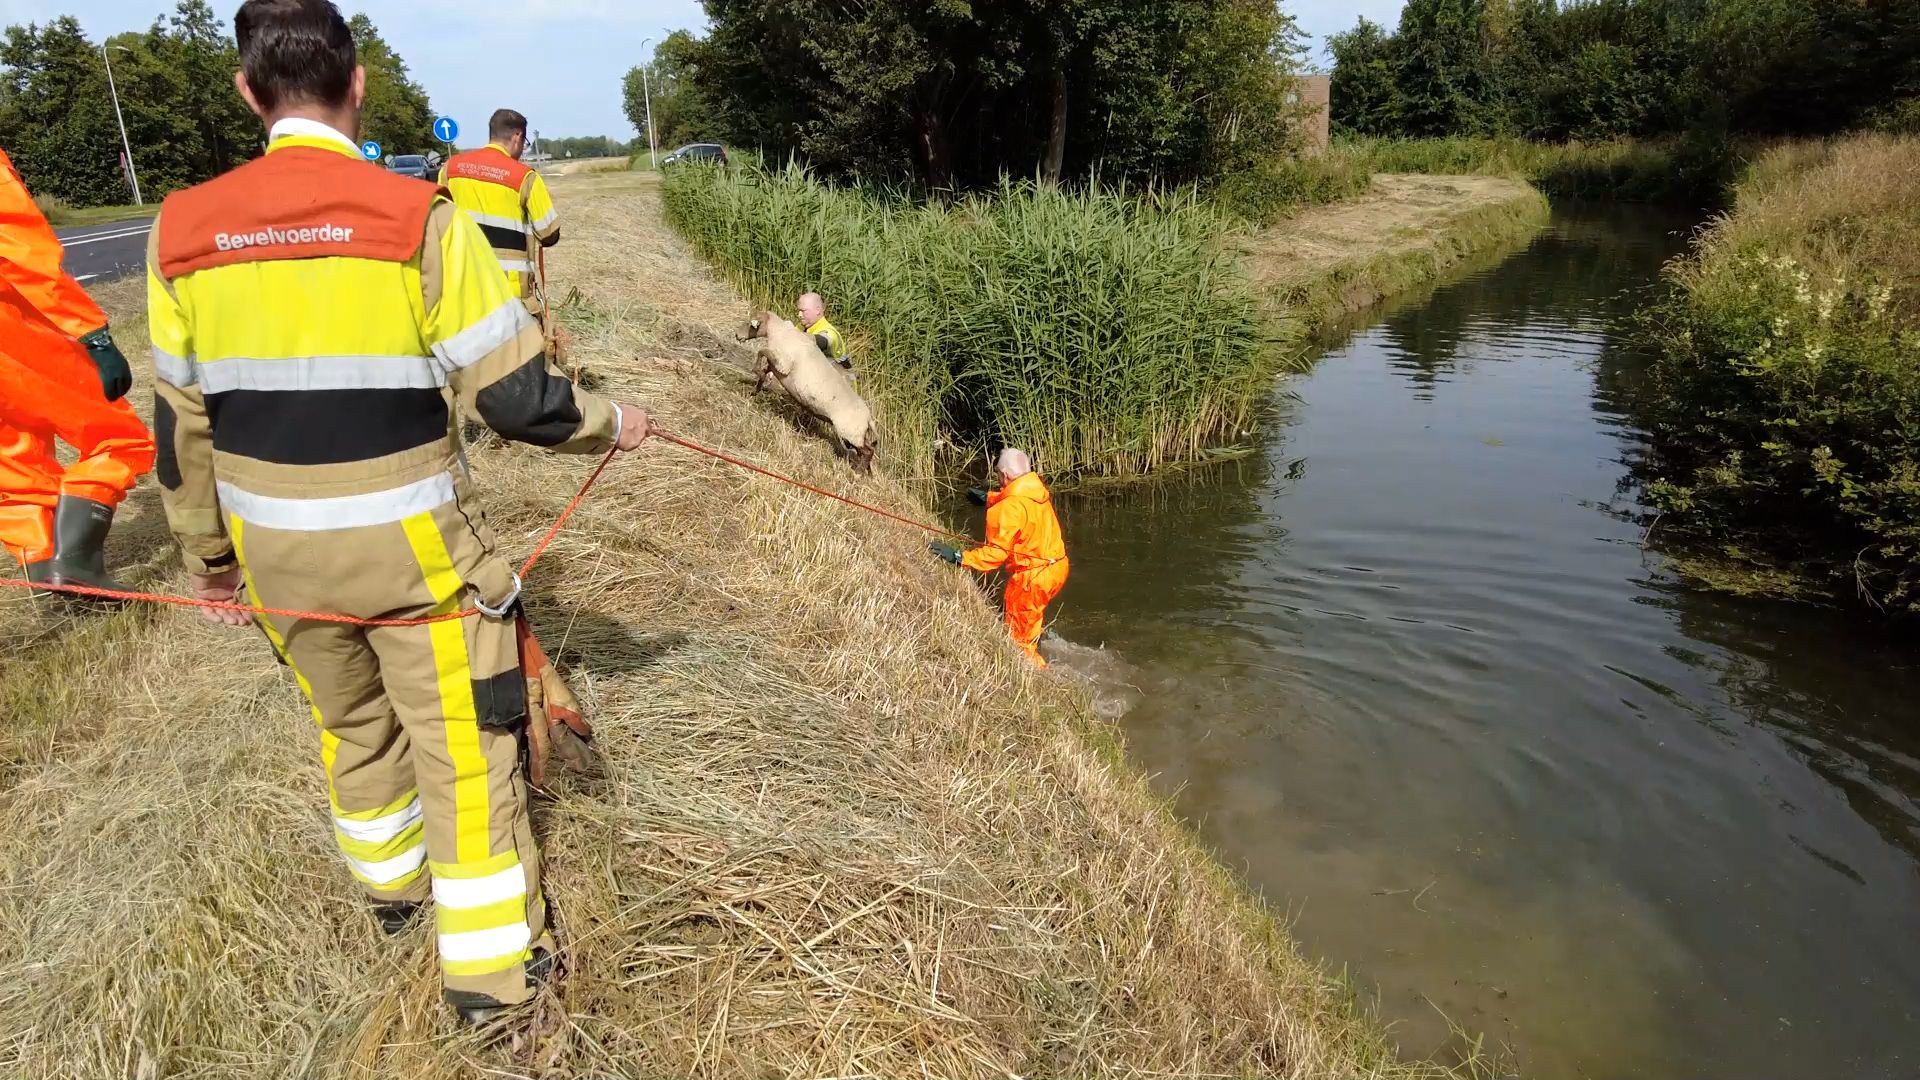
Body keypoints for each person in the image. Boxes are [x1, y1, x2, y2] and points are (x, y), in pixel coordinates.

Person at [146, 0, 651, 1025]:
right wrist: (614, 422)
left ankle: (392, 895)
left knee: (351, 727)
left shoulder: (180, 231)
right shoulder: (414, 219)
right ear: (358, 82)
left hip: (276, 558)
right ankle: (495, 983)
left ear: (247, 92)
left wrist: (209, 561)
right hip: (414, 561)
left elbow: (180, 424)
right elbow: (518, 401)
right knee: (465, 753)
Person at [0, 149, 154, 591]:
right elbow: (24, 252)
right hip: (13, 330)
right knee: (118, 437)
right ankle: (76, 564)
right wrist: (93, 335)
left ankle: (44, 573)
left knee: (15, 459)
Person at [929, 448, 1069, 668]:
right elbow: (1019, 500)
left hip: (1032, 578)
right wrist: (989, 498)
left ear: (1004, 475)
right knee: (1030, 619)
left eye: (997, 474)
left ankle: (1037, 675)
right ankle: (1034, 645)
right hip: (1057, 567)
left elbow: (995, 554)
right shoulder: (1036, 489)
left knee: (1019, 641)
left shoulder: (1007, 508)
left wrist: (959, 557)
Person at [439, 108, 560, 306]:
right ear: (517, 136)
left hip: (461, 282)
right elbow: (549, 234)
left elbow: (439, 221)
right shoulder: (525, 177)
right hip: (508, 291)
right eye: (524, 143)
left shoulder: (450, 169)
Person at [797, 292, 851, 372]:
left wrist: (797, 337)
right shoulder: (801, 327)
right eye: (799, 310)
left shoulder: (830, 332)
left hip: (838, 377)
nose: (799, 315)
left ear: (817, 310)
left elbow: (823, 340)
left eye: (803, 311)